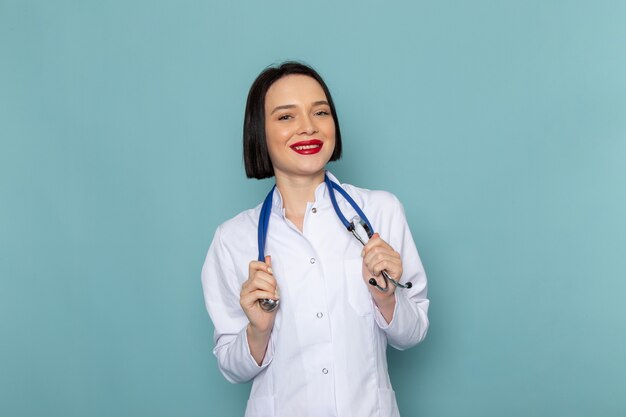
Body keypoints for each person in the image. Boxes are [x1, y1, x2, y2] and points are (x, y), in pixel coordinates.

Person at [201, 62, 429, 417]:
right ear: (259, 133)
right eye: (286, 117)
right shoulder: (233, 239)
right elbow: (231, 368)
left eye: (320, 112)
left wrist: (387, 298)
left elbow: (413, 333)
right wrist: (258, 330)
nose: (308, 127)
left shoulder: (380, 213)